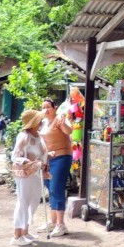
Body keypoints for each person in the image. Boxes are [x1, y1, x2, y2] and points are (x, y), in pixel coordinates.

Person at [10, 109, 47, 247]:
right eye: (38, 121)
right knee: (23, 202)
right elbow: (15, 156)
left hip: (36, 173)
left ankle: (25, 231)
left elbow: (41, 153)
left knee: (34, 200)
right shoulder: (24, 137)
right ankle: (16, 235)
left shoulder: (38, 136)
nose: (41, 123)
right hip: (25, 174)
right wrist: (28, 162)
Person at [39, 97, 73, 237]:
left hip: (61, 157)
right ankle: (53, 221)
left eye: (48, 107)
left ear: (55, 108)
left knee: (56, 188)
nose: (46, 110)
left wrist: (63, 122)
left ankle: (61, 224)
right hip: (48, 159)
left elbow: (68, 131)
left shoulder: (60, 119)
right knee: (50, 188)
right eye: (43, 107)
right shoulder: (43, 122)